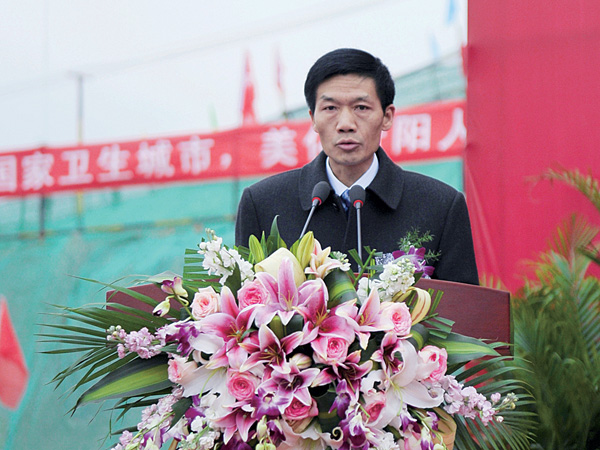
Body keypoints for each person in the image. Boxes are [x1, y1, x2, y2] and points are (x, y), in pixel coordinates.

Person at [235, 48, 478, 285]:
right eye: (330, 108)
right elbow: (246, 307)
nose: (346, 124)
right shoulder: (262, 204)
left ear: (387, 117)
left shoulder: (440, 206)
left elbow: (466, 315)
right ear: (313, 119)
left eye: (361, 108)